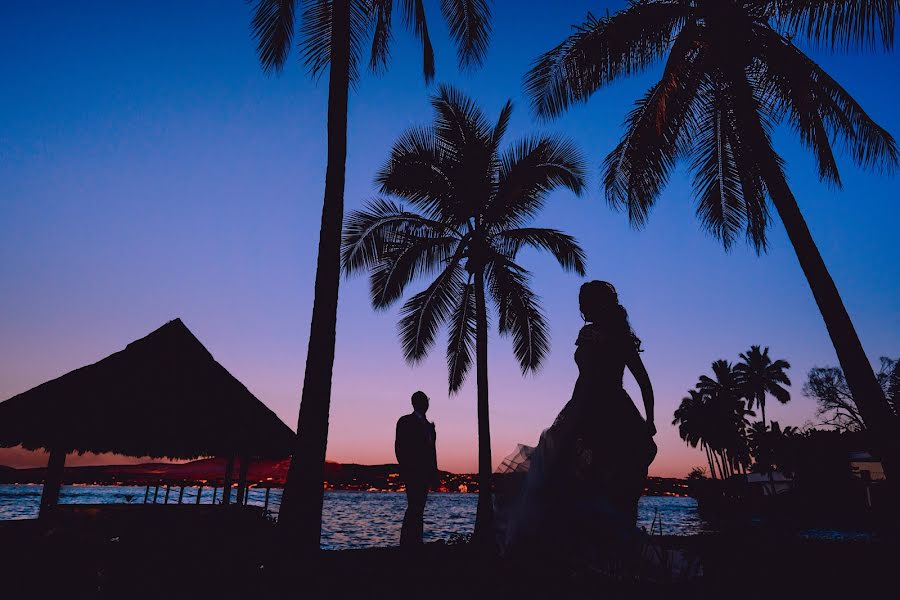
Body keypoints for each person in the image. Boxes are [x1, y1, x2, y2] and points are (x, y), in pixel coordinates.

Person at [494, 281, 658, 566]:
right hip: (585, 407)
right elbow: (617, 381)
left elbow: (643, 381)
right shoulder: (595, 334)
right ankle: (585, 548)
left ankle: (606, 550)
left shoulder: (611, 336)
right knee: (575, 476)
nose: (581, 307)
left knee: (603, 477)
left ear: (597, 304)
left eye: (584, 301)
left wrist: (651, 420)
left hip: (604, 410)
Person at [395, 390, 438, 546]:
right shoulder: (405, 421)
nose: (426, 404)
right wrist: (407, 468)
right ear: (416, 403)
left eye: (426, 401)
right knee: (414, 506)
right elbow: (399, 447)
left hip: (425, 473)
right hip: (412, 472)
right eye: (424, 401)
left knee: (419, 507)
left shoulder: (429, 426)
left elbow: (432, 451)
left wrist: (434, 473)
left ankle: (415, 540)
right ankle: (408, 541)